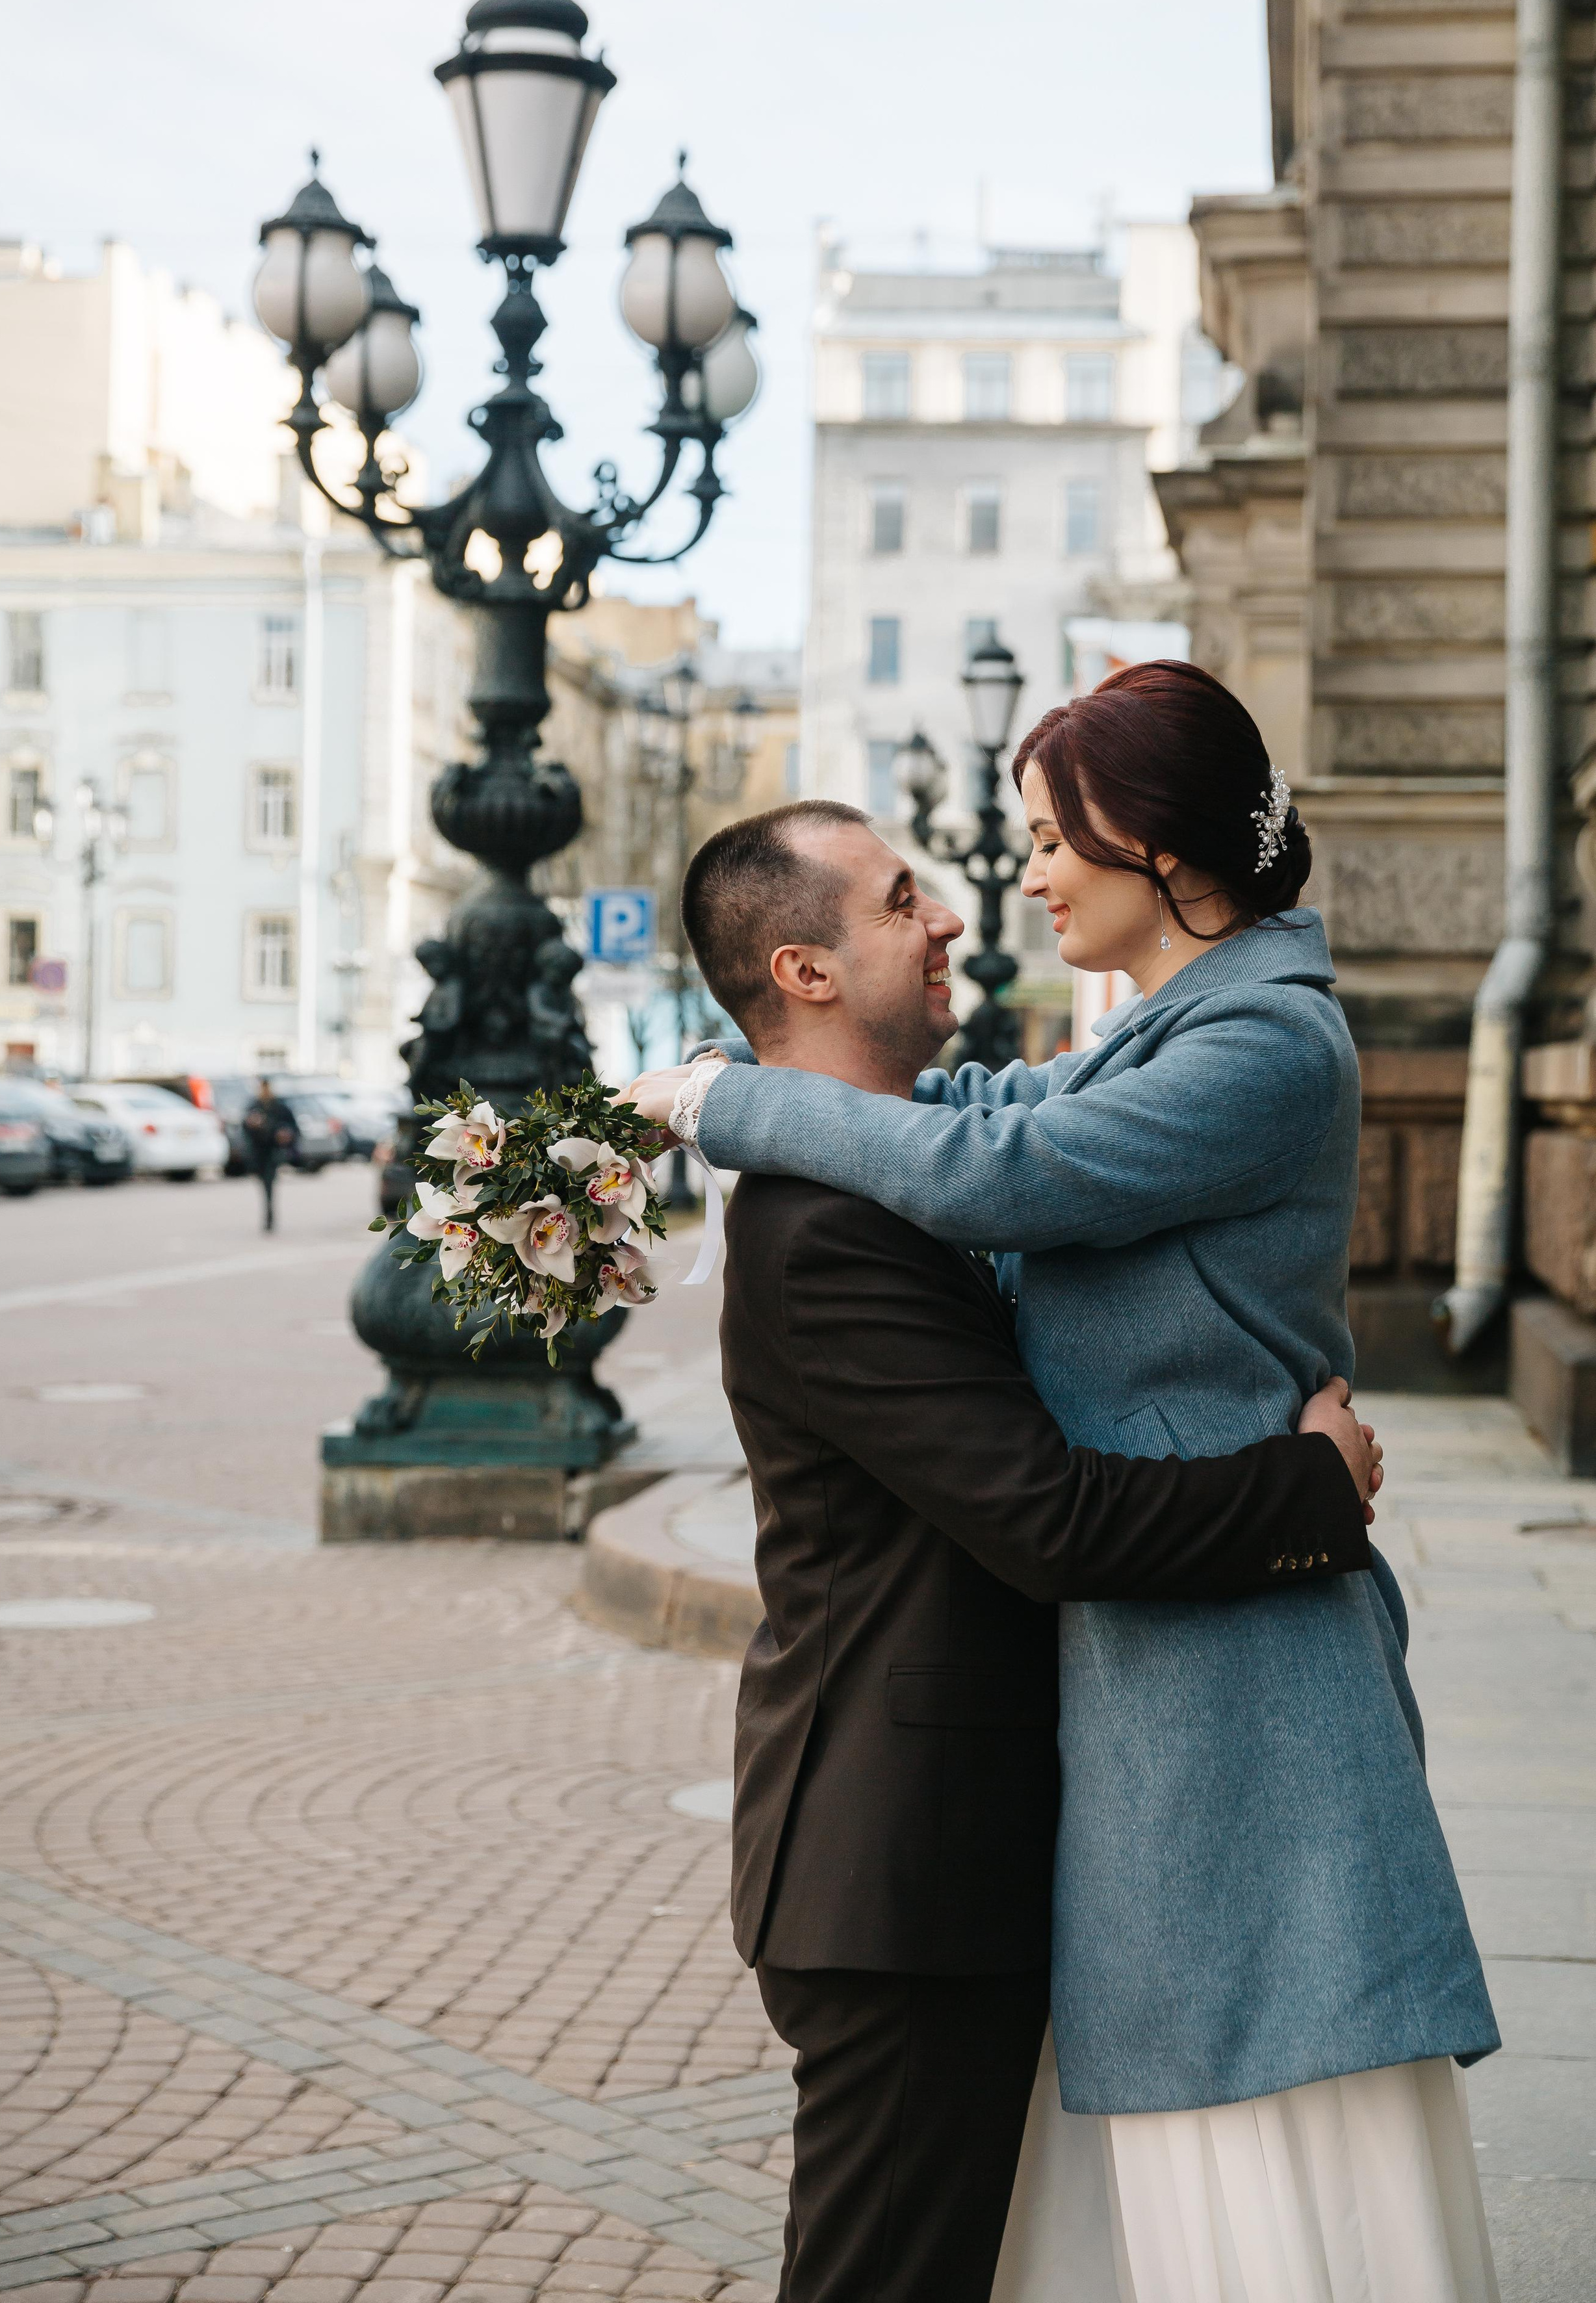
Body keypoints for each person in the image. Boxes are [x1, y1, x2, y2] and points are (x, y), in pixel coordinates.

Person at [632, 665, 1500, 2303]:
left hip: (1231, 1692)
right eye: (989, 851)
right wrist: (1305, 1482)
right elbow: (981, 1116)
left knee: (1267, 2182)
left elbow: (1001, 1165)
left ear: (1155, 845)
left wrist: (728, 1098)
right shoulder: (1152, 1038)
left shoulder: (1257, 1038)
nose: (1009, 881)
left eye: (1047, 838)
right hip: (1085, 1722)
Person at [241, 1078, 298, 1233]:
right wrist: (252, 1124)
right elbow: (245, 1128)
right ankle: (268, 1214)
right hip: (259, 1153)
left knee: (269, 1184)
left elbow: (292, 1128)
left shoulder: (279, 1107)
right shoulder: (255, 1106)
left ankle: (269, 1217)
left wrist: (284, 1134)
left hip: (273, 1153)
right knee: (263, 1185)